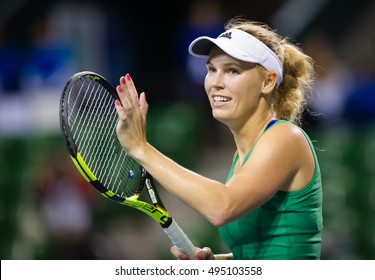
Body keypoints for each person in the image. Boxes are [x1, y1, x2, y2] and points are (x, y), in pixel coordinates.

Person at [114, 17, 323, 260]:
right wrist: (217, 263)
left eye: (232, 71)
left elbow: (222, 207)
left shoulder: (286, 137)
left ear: (267, 81)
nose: (216, 83)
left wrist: (141, 148)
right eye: (211, 69)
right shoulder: (242, 156)